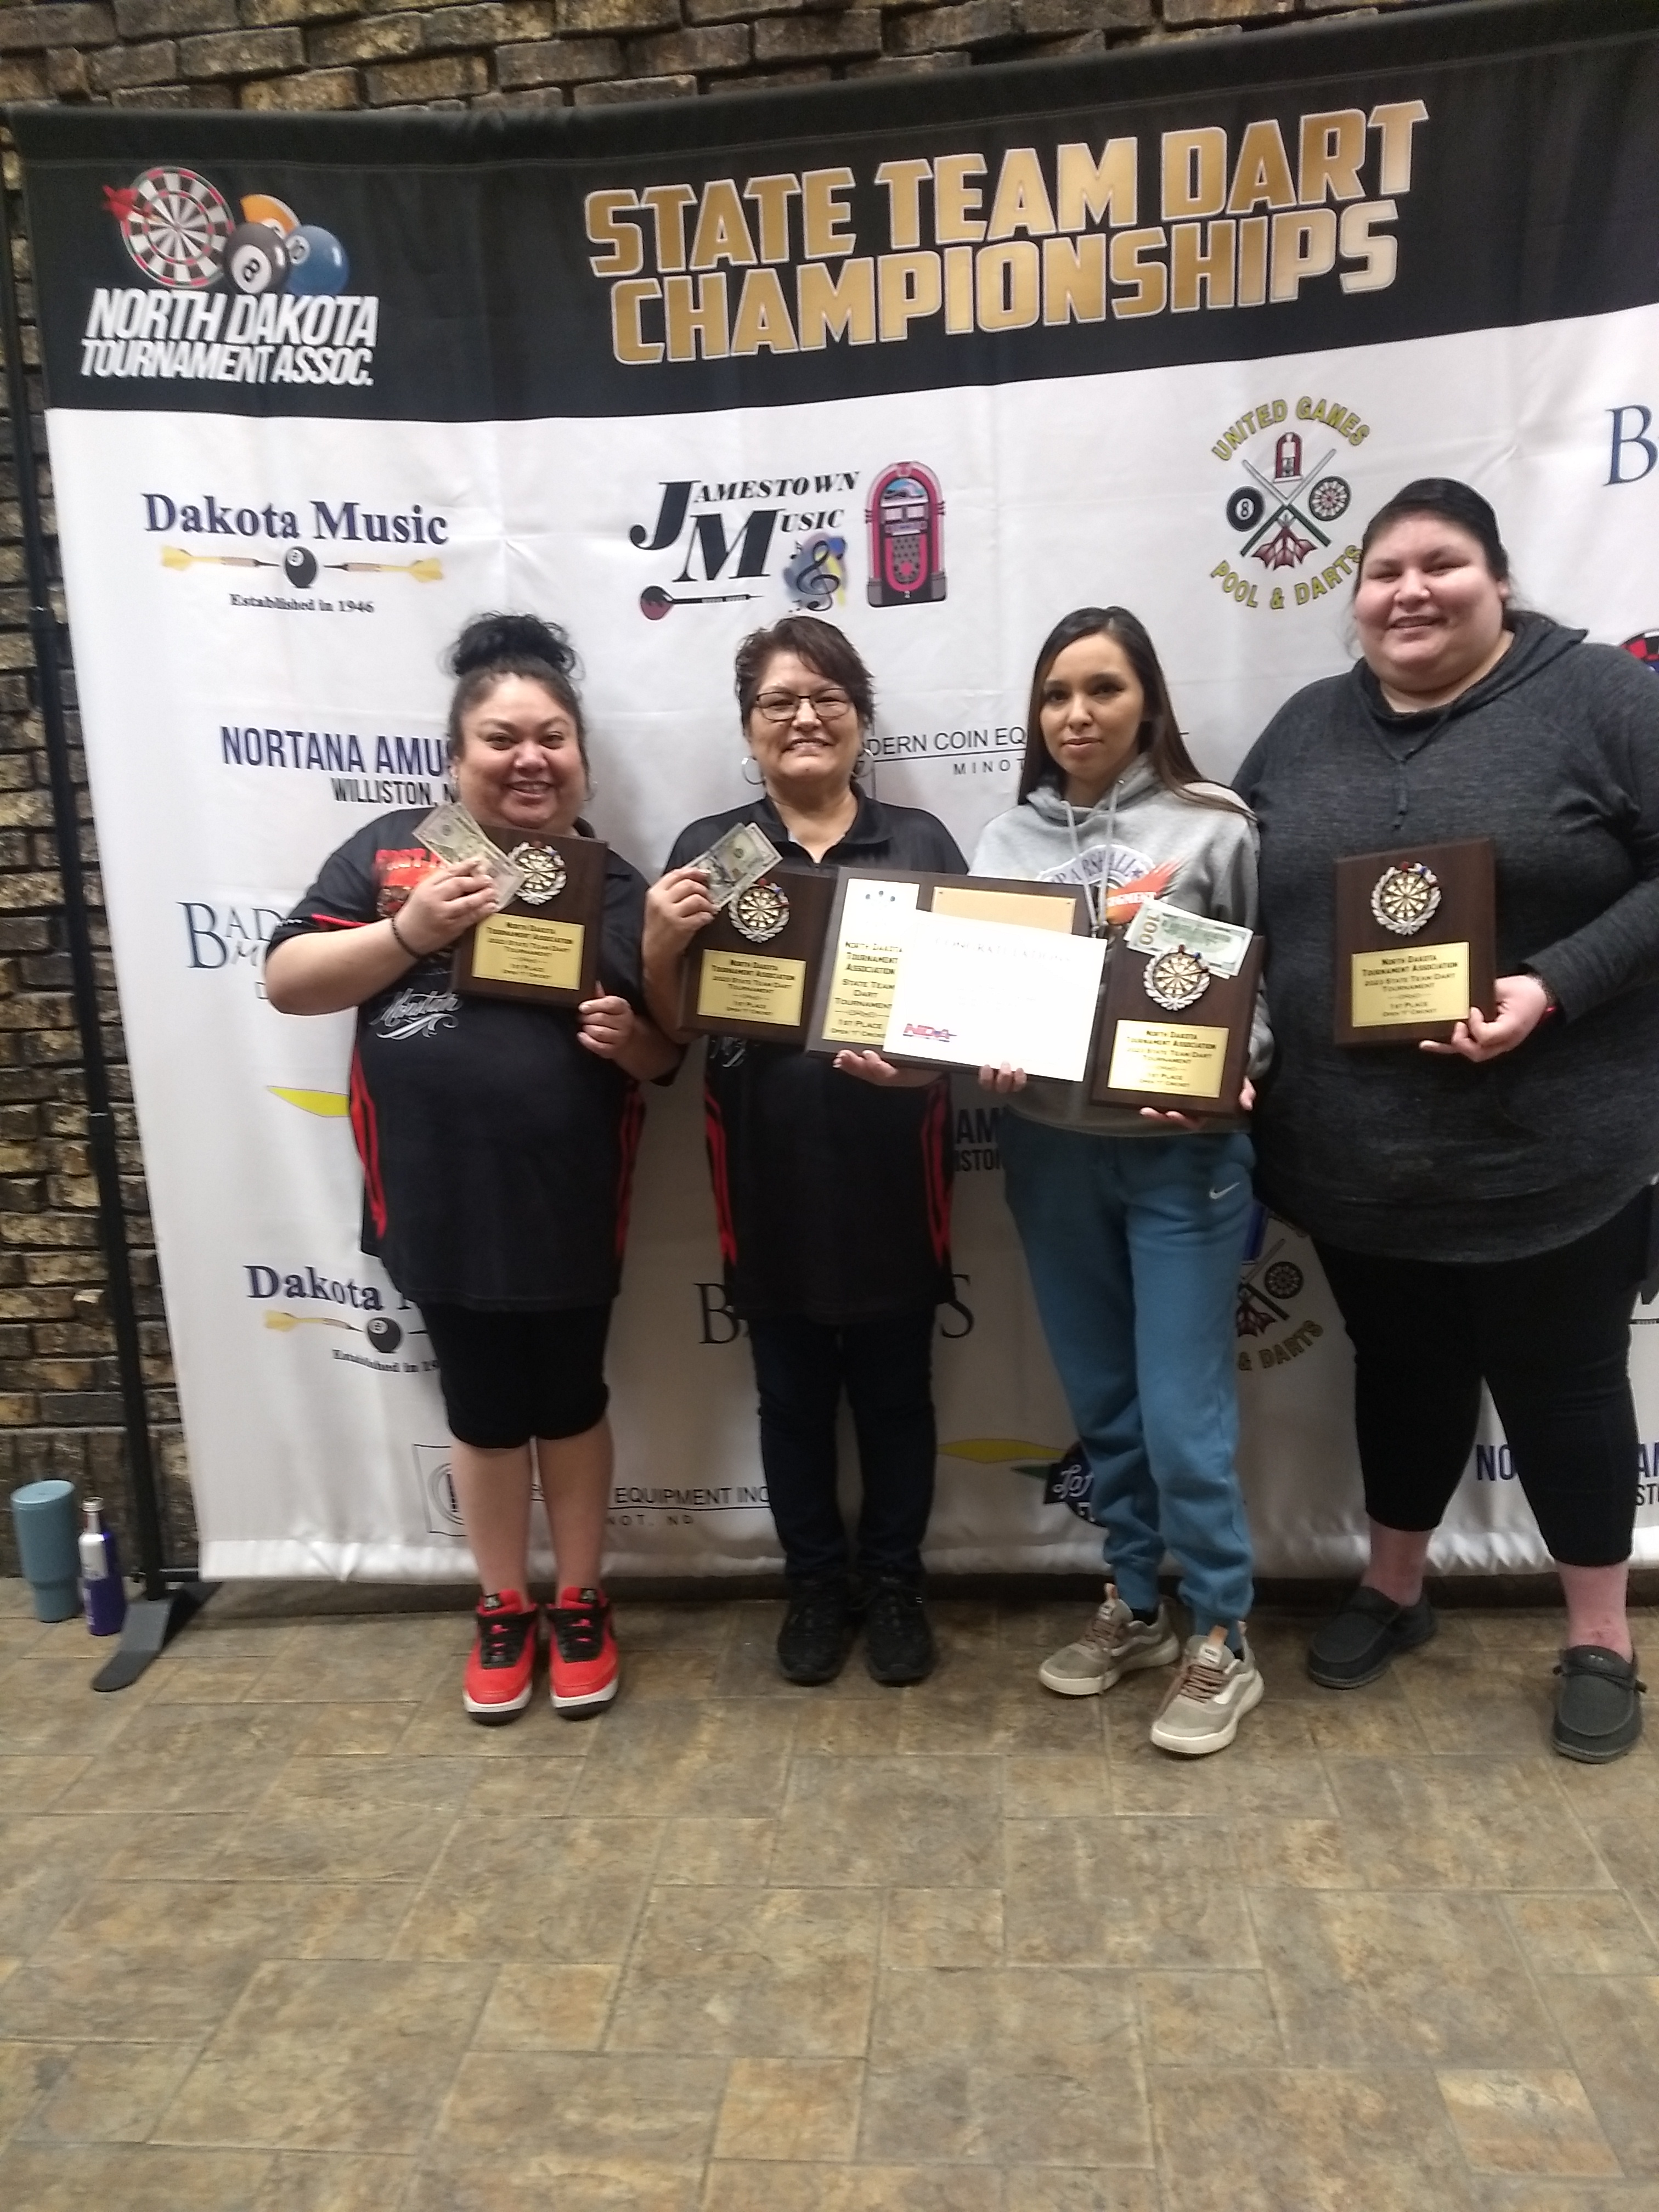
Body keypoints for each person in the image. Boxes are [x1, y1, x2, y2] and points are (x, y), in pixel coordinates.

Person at [1235, 477, 1659, 1762]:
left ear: (1500, 580)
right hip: (1356, 1162)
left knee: (1567, 1392)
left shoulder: (1605, 699)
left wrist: (1553, 985)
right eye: (1384, 571)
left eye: (1443, 563)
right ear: (1355, 595)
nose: (1410, 591)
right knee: (1402, 1378)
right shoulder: (1304, 728)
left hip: (1553, 1160)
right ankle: (1395, 1586)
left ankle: (1601, 1637)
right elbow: (1231, 902)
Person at [265, 614, 677, 1725]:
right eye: (502, 739)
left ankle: (581, 1602)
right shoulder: (391, 855)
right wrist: (406, 933)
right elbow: (288, 981)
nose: (529, 758)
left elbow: (666, 1054)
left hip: (568, 1205)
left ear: (582, 757)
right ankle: (502, 1608)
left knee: (572, 1399)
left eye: (552, 738)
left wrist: (628, 1040)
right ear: (456, 759)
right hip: (436, 1201)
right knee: (485, 1410)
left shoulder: (614, 883)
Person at [643, 616, 963, 1688]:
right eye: (779, 701)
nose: (805, 718)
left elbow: (968, 1021)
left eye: (827, 698)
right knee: (789, 1403)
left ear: (862, 719)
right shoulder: (708, 850)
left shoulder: (921, 843)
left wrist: (924, 1066)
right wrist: (659, 943)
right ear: (749, 726)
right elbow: (670, 1030)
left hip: (897, 1179)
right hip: (765, 1180)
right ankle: (815, 1586)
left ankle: (897, 1583)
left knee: (898, 1399)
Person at [974, 606, 1270, 1757]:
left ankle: (1226, 1631)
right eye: (1057, 694)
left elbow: (1264, 991)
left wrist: (1237, 1066)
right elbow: (978, 991)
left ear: (1148, 701)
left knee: (1184, 1419)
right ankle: (1139, 1604)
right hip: (1050, 1152)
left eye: (1103, 688)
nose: (1077, 714)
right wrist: (980, 1046)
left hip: (1179, 1157)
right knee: (1105, 1406)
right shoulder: (1005, 839)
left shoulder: (1215, 825)